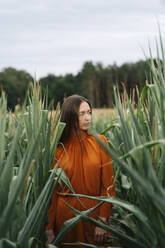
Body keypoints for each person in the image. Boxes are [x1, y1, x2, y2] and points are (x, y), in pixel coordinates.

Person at [46, 94, 116, 247]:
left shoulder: (100, 142)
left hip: (94, 217)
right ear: (70, 116)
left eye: (89, 112)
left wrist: (102, 221)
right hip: (65, 222)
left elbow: (108, 187)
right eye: (82, 114)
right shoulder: (57, 149)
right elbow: (51, 193)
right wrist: (49, 228)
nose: (88, 118)